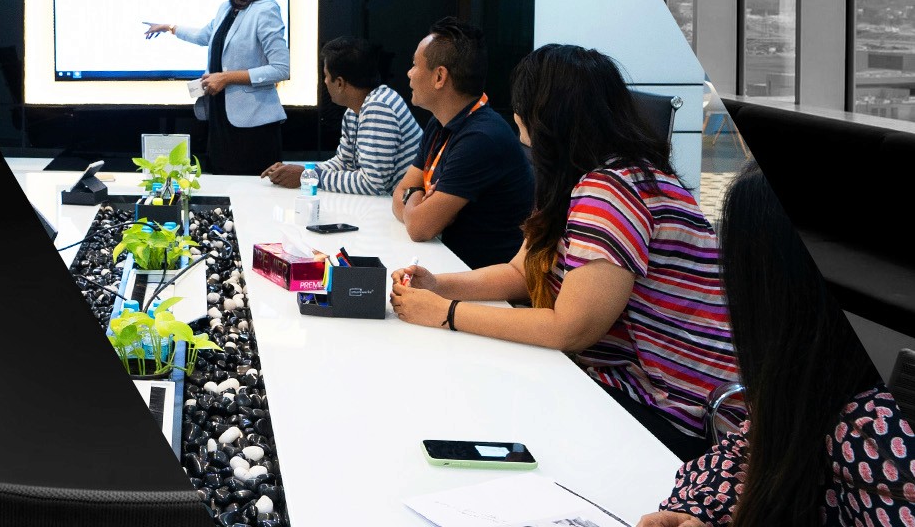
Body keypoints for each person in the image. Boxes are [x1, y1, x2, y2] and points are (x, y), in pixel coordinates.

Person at [389, 44, 738, 459]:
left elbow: (572, 328)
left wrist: (446, 315)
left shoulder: (611, 191)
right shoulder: (581, 178)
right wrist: (439, 286)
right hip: (623, 382)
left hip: (675, 409)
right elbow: (523, 272)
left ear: (541, 119)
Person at [637, 164, 913, 527]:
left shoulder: (871, 433)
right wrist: (697, 513)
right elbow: (742, 455)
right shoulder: (808, 391)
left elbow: (572, 328)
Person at [389, 17, 532, 268]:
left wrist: (413, 198)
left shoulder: (482, 137)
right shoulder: (440, 124)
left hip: (485, 283)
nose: (409, 73)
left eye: (414, 65)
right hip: (448, 261)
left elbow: (420, 227)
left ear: (439, 77)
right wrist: (418, 198)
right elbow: (398, 194)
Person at [143, 0, 290, 175]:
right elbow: (204, 35)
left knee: (251, 191)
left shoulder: (265, 10)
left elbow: (281, 69)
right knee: (223, 181)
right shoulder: (226, 9)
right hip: (221, 116)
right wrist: (169, 27)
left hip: (253, 125)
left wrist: (227, 78)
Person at [260, 36, 421, 195]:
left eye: (326, 76)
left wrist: (308, 177)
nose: (324, 82)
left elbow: (373, 184)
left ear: (339, 83)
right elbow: (344, 162)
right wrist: (299, 171)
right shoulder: (355, 110)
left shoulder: (379, 108)